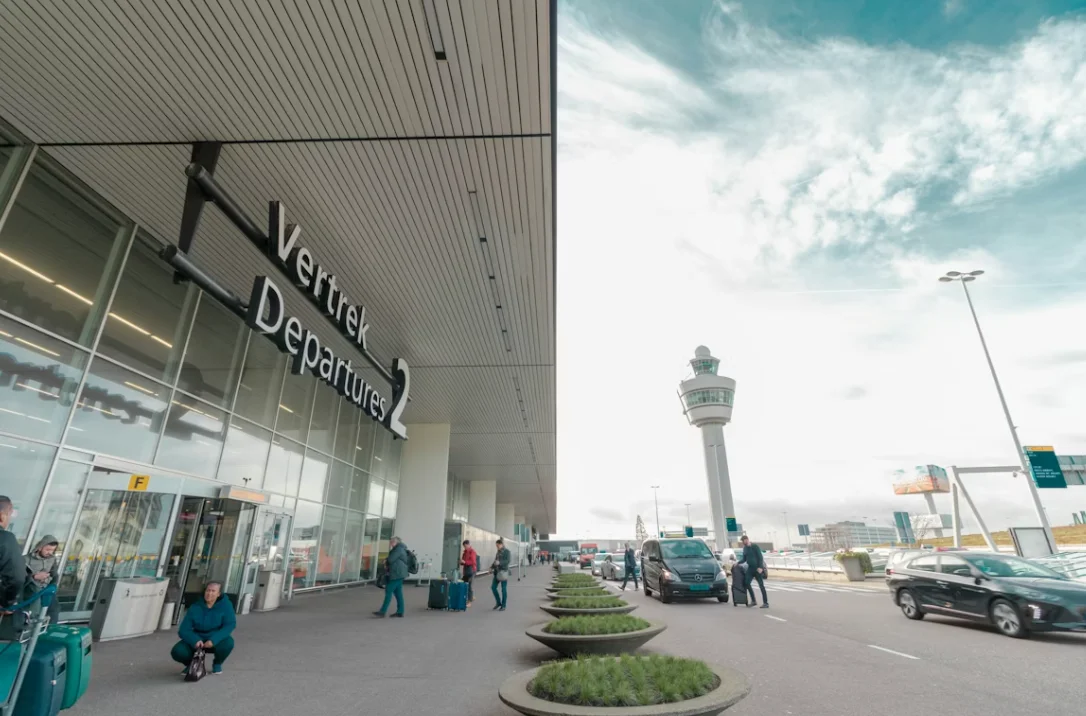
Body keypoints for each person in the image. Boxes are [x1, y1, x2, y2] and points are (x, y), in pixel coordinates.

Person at [170, 581, 236, 675]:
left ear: (218, 594)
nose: (209, 593)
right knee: (177, 651)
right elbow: (184, 630)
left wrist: (214, 640)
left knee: (228, 643)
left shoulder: (226, 606)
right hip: (197, 636)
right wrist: (194, 640)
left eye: (213, 591)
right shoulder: (195, 607)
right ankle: (192, 665)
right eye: (208, 590)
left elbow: (230, 625)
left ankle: (217, 663)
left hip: (215, 636)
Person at [25, 534, 60, 624]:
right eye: (47, 549)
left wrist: (53, 586)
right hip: (30, 590)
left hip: (47, 589)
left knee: (54, 608)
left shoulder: (52, 559)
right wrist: (34, 577)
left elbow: (54, 574)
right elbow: (19, 576)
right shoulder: (26, 559)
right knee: (33, 612)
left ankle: (50, 630)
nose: (50, 552)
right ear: (40, 547)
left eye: (52, 550)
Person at [374, 536, 409, 618]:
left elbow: (391, 559)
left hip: (397, 573)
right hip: (400, 573)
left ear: (396, 542)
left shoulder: (398, 549)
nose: (390, 543)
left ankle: (382, 611)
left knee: (388, 590)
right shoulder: (400, 548)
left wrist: (386, 560)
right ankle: (400, 611)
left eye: (392, 541)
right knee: (398, 593)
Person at [0, 496, 25, 611]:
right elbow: (16, 578)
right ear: (2, 516)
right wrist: (6, 603)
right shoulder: (5, 539)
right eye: (9, 515)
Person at [738, 535, 768, 608]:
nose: (743, 542)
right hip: (750, 568)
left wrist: (760, 567)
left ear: (747, 539)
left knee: (761, 585)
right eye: (742, 541)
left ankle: (765, 603)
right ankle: (753, 601)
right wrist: (737, 563)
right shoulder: (745, 549)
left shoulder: (755, 546)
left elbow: (760, 557)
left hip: (757, 568)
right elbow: (744, 559)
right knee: (747, 583)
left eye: (744, 540)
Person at [490, 538, 511, 611]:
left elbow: (508, 561)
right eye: (496, 546)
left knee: (503, 589)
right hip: (497, 572)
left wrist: (500, 563)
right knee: (493, 587)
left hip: (503, 573)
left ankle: (503, 605)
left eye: (498, 545)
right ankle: (498, 602)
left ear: (501, 544)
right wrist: (491, 567)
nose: (497, 547)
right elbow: (495, 561)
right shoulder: (498, 552)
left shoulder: (507, 552)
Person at [460, 539, 478, 605]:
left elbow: (473, 562)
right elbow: (463, 562)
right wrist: (461, 562)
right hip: (466, 571)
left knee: (470, 586)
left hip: (472, 571)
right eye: (464, 546)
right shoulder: (464, 552)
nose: (465, 547)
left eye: (465, 546)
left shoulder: (472, 552)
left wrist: (465, 562)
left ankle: (469, 601)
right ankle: (471, 597)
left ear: (468, 545)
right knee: (463, 584)